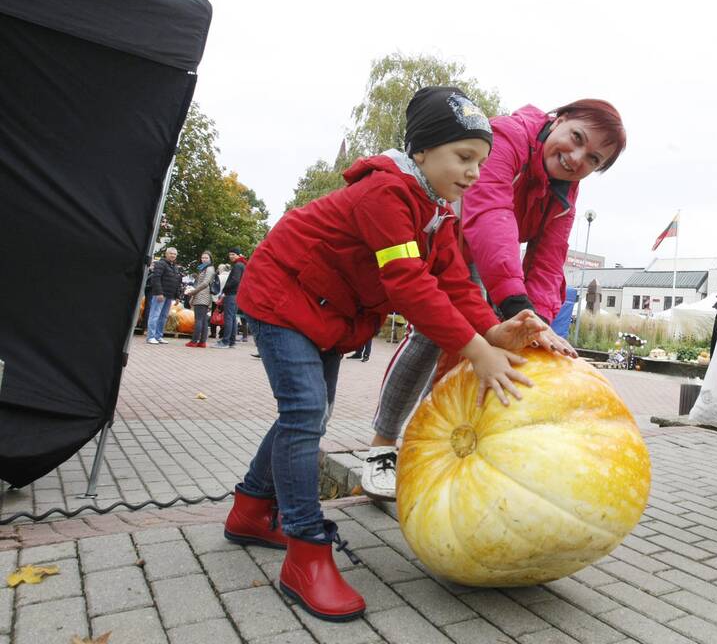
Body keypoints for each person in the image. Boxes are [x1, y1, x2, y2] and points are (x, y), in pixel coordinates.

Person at [222, 87, 571, 621]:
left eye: (480, 160)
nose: (474, 172)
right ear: (423, 152)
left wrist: (499, 330)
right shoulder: (385, 193)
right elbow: (408, 284)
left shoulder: (439, 213)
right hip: (283, 295)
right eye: (463, 157)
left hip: (327, 312)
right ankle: (304, 549)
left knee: (308, 413)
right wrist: (475, 349)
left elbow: (454, 284)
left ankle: (249, 510)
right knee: (306, 414)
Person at [359, 97, 626, 501]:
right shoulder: (508, 137)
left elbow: (549, 262)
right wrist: (516, 304)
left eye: (593, 159)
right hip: (448, 239)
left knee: (483, 351)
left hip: (487, 258)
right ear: (560, 119)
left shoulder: (566, 197)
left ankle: (430, 445)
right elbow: (489, 213)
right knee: (435, 336)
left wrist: (534, 320)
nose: (576, 158)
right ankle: (383, 446)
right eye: (576, 139)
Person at [146, 247, 183, 345]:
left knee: (163, 316)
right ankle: (151, 337)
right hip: (160, 295)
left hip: (169, 295)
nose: (173, 255)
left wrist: (177, 296)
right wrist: (159, 293)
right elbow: (156, 278)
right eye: (171, 253)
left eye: (175, 254)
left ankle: (158, 336)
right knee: (155, 315)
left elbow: (176, 282)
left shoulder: (174, 266)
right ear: (166, 254)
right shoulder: (160, 264)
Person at [214, 248, 246, 348]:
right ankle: (231, 341)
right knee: (232, 319)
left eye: (233, 254)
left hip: (232, 294)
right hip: (237, 295)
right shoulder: (242, 265)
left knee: (228, 318)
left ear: (238, 255)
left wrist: (224, 290)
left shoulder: (237, 265)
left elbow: (235, 280)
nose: (231, 256)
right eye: (230, 254)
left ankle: (225, 341)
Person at [185, 251, 216, 348]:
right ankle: (202, 342)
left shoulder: (209, 268)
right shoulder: (204, 268)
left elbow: (205, 283)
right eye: (202, 258)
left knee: (199, 320)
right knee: (203, 320)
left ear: (210, 259)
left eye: (206, 258)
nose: (204, 259)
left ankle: (194, 341)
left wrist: (193, 292)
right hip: (202, 295)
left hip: (202, 296)